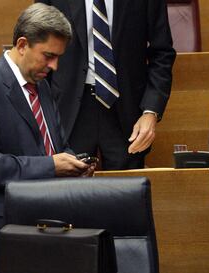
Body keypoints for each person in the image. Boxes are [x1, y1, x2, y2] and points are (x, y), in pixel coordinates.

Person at [0, 4, 95, 273]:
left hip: (44, 225)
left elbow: (55, 146)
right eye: (48, 56)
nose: (54, 66)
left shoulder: (42, 86)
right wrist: (52, 166)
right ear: (22, 44)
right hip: (4, 232)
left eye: (58, 58)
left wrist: (74, 163)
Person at [35, 0, 176, 169]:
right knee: (71, 191)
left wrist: (151, 111)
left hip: (126, 110)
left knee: (126, 191)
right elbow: (40, 48)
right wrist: (46, 112)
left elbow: (162, 53)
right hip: (69, 107)